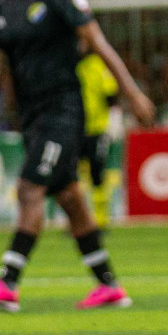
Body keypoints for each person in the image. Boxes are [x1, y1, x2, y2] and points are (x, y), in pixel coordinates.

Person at [0, 0, 155, 312]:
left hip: (63, 112)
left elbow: (99, 44)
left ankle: (8, 281)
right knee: (68, 197)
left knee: (30, 189)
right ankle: (108, 286)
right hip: (30, 117)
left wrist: (132, 93)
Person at [75, 37, 121, 229]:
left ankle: (101, 221)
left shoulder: (97, 65)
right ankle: (79, 222)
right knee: (73, 178)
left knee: (96, 173)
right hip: (74, 130)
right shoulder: (69, 67)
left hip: (96, 129)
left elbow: (111, 95)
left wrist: (113, 123)